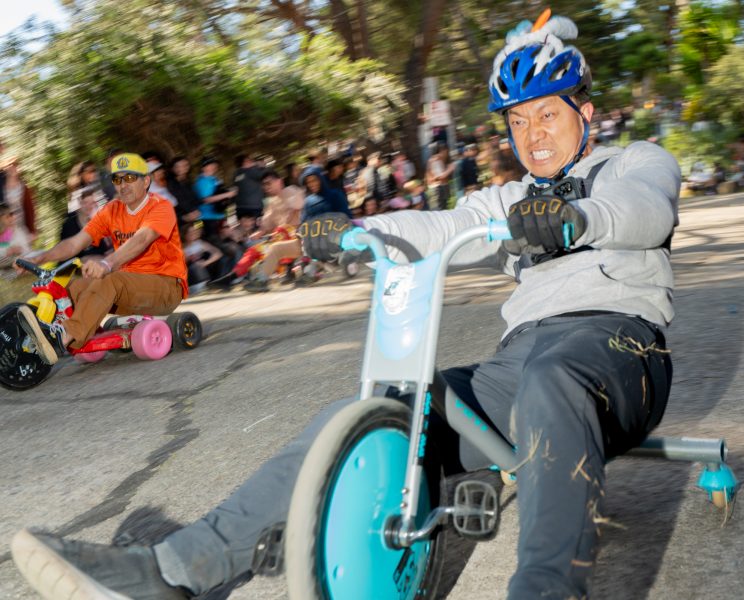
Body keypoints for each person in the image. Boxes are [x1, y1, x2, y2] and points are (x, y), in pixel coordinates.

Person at [10, 13, 679, 600]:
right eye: (518, 120)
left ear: (584, 113)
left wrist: (574, 218)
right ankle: (179, 569)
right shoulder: (505, 200)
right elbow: (439, 229)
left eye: (549, 114)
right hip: (523, 356)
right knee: (380, 409)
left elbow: (644, 210)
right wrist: (355, 236)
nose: (534, 134)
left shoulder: (634, 162)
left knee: (550, 378)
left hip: (620, 351)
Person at [14, 153, 188, 366]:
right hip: (129, 288)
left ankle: (66, 334)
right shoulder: (111, 210)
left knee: (108, 279)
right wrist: (41, 256)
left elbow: (142, 239)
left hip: (167, 286)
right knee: (74, 287)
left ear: (146, 181)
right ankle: (52, 332)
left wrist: (107, 263)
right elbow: (75, 243)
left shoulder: (161, 207)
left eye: (130, 178)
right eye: (118, 179)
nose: (123, 185)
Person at [59, 188, 112, 259]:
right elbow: (69, 254)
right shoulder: (69, 226)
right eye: (85, 203)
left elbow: (104, 249)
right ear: (79, 205)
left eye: (92, 203)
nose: (89, 206)